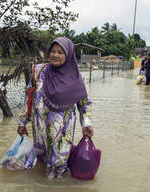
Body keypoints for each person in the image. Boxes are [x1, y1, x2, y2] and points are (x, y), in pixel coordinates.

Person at [17, 37, 93, 179]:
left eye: (60, 52)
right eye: (53, 51)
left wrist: (87, 124)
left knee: (58, 167)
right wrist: (22, 122)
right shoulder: (40, 71)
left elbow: (84, 103)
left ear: (68, 55)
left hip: (63, 132)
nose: (55, 55)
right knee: (42, 164)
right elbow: (28, 97)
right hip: (40, 130)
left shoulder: (75, 77)